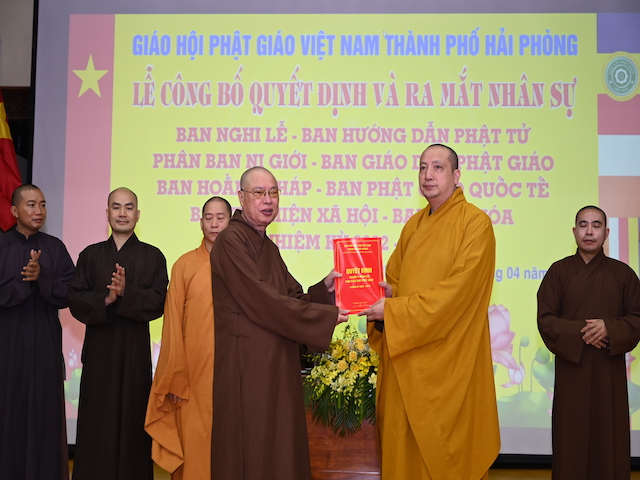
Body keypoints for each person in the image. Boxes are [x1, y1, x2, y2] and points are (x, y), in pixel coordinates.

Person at [360, 144, 500, 479]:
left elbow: (458, 294)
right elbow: (395, 279)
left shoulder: (475, 224)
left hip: (448, 361)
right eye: (423, 167)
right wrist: (388, 296)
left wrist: (395, 311)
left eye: (438, 167)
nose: (428, 175)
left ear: (456, 175)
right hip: (405, 358)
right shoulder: (413, 226)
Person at [209, 166, 349, 480]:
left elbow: (291, 296)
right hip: (248, 367)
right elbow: (263, 300)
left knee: (279, 448)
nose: (268, 199)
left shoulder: (268, 247)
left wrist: (323, 292)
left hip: (276, 365)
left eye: (273, 192)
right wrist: (323, 317)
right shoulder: (230, 241)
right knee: (253, 449)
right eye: (259, 192)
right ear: (241, 197)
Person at [69, 187, 168, 480]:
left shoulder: (153, 256)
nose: (122, 213)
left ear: (138, 214)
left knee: (133, 422)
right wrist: (106, 299)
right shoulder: (90, 255)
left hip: (134, 354)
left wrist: (127, 294)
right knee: (96, 421)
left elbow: (160, 301)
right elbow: (75, 298)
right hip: (100, 353)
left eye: (128, 207)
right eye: (116, 207)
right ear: (107, 214)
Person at [537, 206, 640, 480]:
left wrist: (609, 328)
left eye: (596, 225)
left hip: (609, 374)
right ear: (574, 232)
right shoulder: (558, 272)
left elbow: (637, 318)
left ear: (606, 232)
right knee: (571, 438)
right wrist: (583, 331)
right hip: (572, 372)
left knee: (609, 437)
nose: (589, 231)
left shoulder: (624, 275)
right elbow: (546, 319)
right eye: (583, 225)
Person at [145, 196, 232, 480]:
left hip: (233, 372)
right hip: (193, 376)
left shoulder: (243, 266)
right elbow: (172, 325)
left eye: (220, 217)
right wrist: (174, 376)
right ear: (201, 223)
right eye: (209, 217)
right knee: (194, 446)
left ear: (231, 222)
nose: (214, 223)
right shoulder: (184, 265)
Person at [0, 184, 75, 480]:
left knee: (45, 415)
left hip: (45, 345)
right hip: (8, 346)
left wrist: (41, 278)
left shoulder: (55, 248)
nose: (39, 211)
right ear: (14, 210)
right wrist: (24, 281)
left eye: (42, 204)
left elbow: (71, 292)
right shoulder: (2, 245)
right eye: (31, 204)